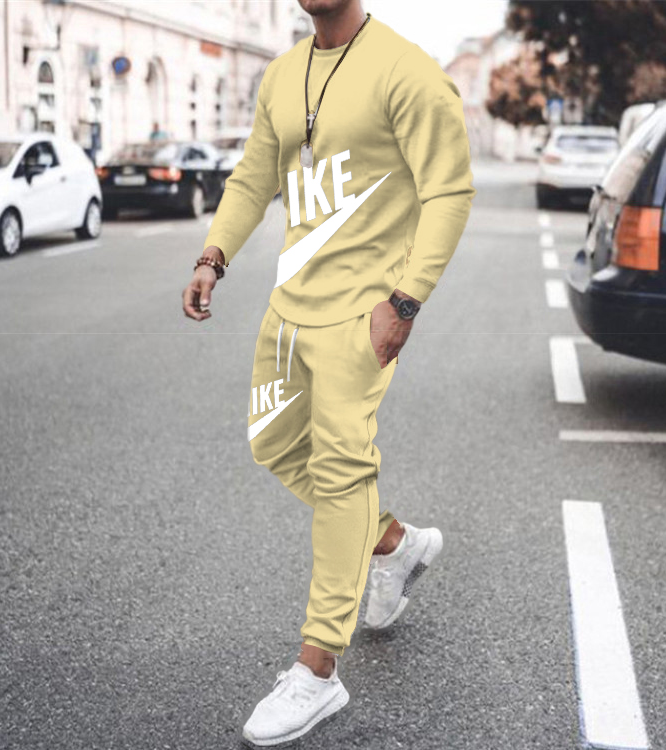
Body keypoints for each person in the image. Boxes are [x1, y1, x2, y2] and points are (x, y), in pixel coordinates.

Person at [182, 0, 476, 745]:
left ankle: (317, 671)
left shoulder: (407, 71)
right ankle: (394, 543)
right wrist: (214, 255)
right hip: (290, 308)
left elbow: (448, 190)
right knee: (276, 445)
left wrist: (405, 301)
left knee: (342, 472)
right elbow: (254, 176)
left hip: (362, 314)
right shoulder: (283, 73)